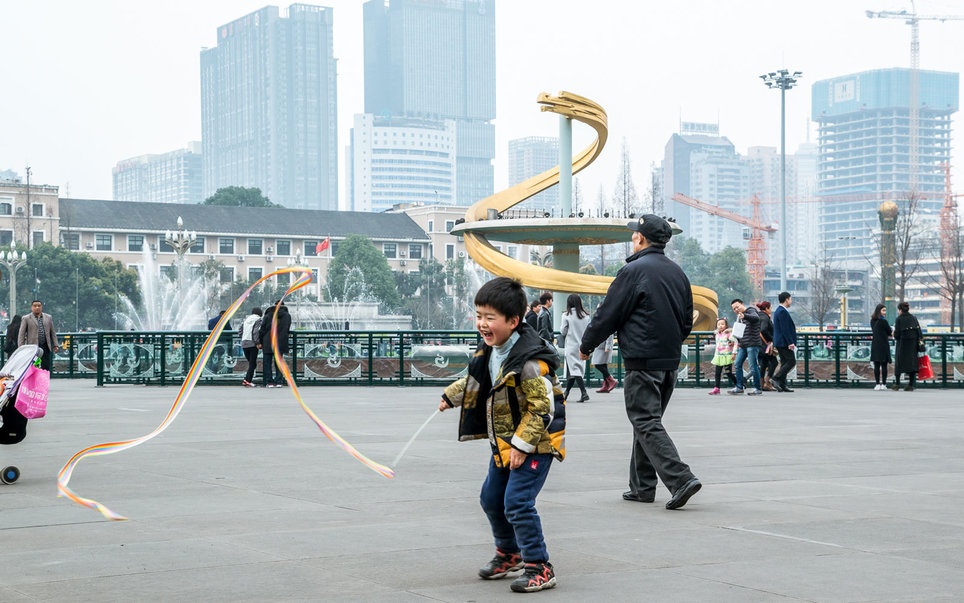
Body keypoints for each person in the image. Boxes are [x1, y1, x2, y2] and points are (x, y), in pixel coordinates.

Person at [438, 276, 564, 593]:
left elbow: (542, 409)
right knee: (491, 499)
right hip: (504, 442)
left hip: (536, 443)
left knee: (518, 502)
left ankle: (539, 566)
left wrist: (523, 445)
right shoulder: (492, 350)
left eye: (489, 317)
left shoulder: (531, 362)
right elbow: (478, 380)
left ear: (513, 320)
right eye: (479, 315)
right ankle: (510, 553)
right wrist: (452, 396)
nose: (482, 323)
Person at [579, 214, 701, 510]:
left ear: (641, 239)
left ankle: (680, 478)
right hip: (669, 360)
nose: (632, 237)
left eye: (635, 234)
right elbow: (687, 321)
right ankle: (642, 487)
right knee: (647, 421)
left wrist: (587, 346)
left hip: (643, 359)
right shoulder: (677, 273)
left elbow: (609, 312)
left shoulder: (633, 271)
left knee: (645, 420)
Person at [559, 293, 590, 402]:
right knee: (575, 370)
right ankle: (566, 393)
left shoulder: (566, 316)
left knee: (574, 370)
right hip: (582, 346)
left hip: (571, 346)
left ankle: (584, 392)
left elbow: (563, 331)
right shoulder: (586, 316)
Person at [729, 299, 763, 396]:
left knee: (753, 366)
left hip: (752, 343)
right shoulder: (739, 317)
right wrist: (735, 341)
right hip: (743, 344)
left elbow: (756, 318)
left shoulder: (750, 311)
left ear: (742, 304)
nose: (736, 309)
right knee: (737, 364)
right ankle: (739, 386)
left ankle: (757, 388)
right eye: (734, 308)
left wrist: (745, 316)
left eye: (737, 307)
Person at [18, 300, 59, 372]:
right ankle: (34, 382)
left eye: (39, 306)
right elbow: (21, 334)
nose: (37, 307)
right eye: (35, 306)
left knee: (46, 366)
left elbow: (52, 332)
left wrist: (55, 345)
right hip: (33, 347)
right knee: (34, 366)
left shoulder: (48, 317)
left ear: (41, 307)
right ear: (32, 307)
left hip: (45, 346)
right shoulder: (26, 318)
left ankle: (44, 381)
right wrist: (21, 348)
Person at [892, 301, 922, 391]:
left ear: (900, 310)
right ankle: (910, 385)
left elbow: (897, 334)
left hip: (902, 344)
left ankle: (897, 384)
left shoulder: (899, 319)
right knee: (912, 363)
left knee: (899, 363)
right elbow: (919, 332)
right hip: (913, 345)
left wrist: (894, 334)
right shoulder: (913, 318)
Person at [771, 291, 797, 393]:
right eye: (790, 299)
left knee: (785, 362)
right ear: (787, 299)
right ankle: (776, 378)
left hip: (780, 341)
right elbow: (785, 328)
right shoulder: (782, 311)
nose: (791, 301)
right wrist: (790, 342)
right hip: (784, 342)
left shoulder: (779, 310)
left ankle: (782, 384)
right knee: (791, 361)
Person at [708, 317, 735, 395]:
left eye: (722, 324)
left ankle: (739, 384)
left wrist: (734, 353)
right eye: (719, 324)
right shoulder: (717, 334)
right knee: (717, 373)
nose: (720, 326)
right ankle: (717, 388)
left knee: (728, 372)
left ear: (726, 325)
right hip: (719, 356)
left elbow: (735, 342)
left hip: (727, 356)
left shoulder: (728, 334)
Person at [870, 303, 892, 391]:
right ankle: (884, 383)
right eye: (883, 310)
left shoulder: (872, 320)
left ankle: (877, 384)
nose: (884, 312)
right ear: (879, 311)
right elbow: (889, 331)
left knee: (876, 365)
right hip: (883, 344)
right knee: (884, 365)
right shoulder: (884, 321)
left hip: (875, 344)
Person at [756, 301, 778, 391]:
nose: (771, 310)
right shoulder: (765, 317)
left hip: (758, 344)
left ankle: (761, 384)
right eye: (770, 308)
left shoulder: (758, 316)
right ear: (766, 308)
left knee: (763, 364)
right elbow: (763, 330)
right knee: (774, 362)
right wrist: (771, 339)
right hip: (765, 345)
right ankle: (767, 382)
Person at [240, 307, 263, 387]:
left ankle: (247, 379)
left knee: (251, 363)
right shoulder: (258, 320)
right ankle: (247, 380)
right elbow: (256, 331)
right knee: (252, 364)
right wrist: (257, 342)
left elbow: (240, 331)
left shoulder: (246, 320)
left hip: (244, 342)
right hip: (252, 344)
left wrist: (243, 338)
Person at [257, 305, 279, 388]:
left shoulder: (266, 317)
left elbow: (262, 330)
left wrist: (260, 341)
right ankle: (278, 381)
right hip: (277, 342)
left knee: (267, 363)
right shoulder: (279, 317)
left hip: (267, 342)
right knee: (278, 363)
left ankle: (269, 381)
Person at [271, 303, 292, 386]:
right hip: (282, 340)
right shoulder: (287, 316)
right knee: (279, 360)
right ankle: (279, 380)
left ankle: (271, 380)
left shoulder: (273, 314)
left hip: (273, 340)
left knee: (270, 360)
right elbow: (287, 327)